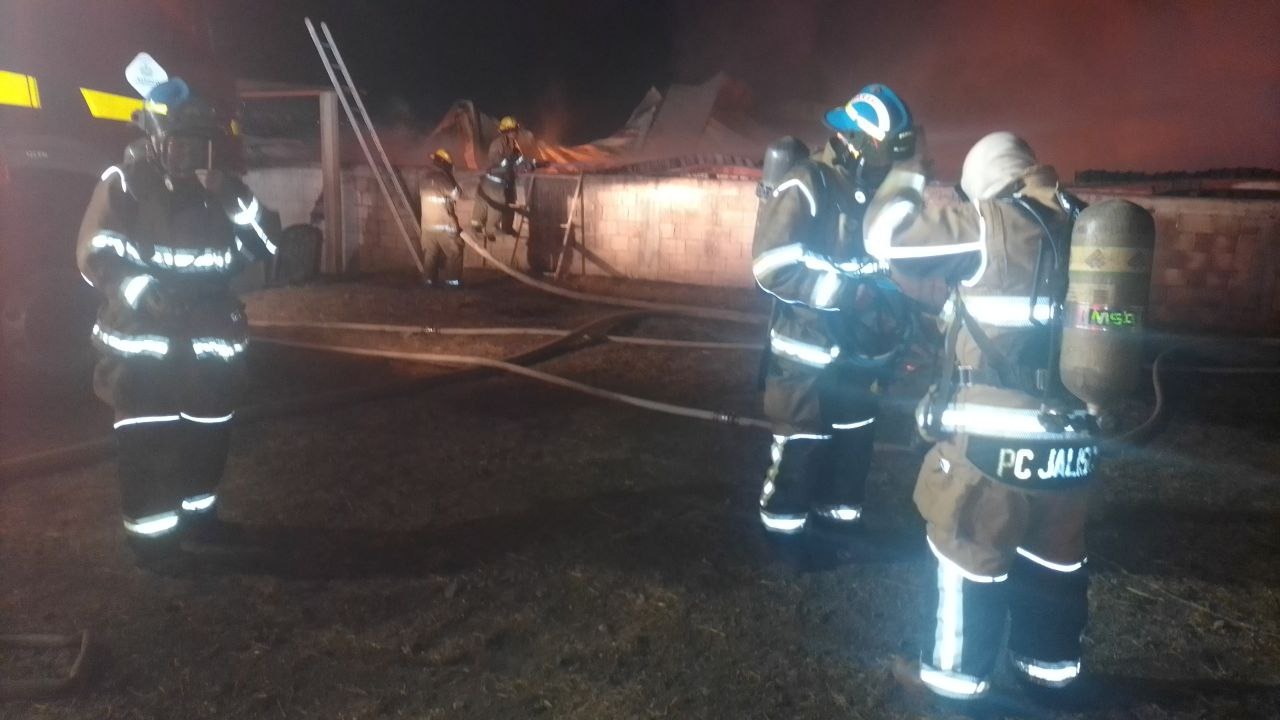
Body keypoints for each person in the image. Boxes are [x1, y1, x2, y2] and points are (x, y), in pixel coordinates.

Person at [862, 131, 1096, 709]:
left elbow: (884, 239)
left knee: (968, 564)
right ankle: (1048, 679)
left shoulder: (988, 222)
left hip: (994, 451)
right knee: (1054, 565)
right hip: (1073, 452)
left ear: (983, 183)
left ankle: (955, 689)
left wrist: (907, 173)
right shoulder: (1086, 226)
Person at [76, 78, 279, 569]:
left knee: (208, 439)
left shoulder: (224, 192)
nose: (186, 154)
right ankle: (152, 543)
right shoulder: (123, 184)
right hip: (145, 346)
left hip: (209, 346)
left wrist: (233, 194)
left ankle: (200, 521)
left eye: (196, 143)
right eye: (177, 142)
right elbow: (95, 253)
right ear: (152, 137)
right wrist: (145, 293)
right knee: (148, 446)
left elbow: (267, 246)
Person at [751, 84, 917, 539]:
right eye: (882, 156)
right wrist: (849, 294)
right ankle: (785, 542)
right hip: (807, 351)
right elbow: (770, 266)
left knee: (853, 444)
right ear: (853, 143)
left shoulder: (871, 190)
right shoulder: (807, 182)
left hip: (858, 354)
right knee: (802, 447)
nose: (887, 169)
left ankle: (838, 531)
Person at [470, 115, 534, 242]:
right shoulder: (497, 144)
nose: (515, 133)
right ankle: (487, 230)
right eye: (513, 130)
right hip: (494, 181)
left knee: (509, 203)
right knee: (496, 205)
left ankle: (507, 228)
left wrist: (529, 165)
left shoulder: (513, 145)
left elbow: (518, 160)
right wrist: (509, 164)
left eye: (516, 130)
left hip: (506, 181)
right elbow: (495, 160)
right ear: (506, 131)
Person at [420, 148, 464, 288]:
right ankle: (452, 283)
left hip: (427, 227)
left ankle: (428, 282)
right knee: (455, 252)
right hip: (444, 226)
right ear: (445, 164)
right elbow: (457, 194)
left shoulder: (424, 178)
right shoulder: (443, 179)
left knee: (430, 255)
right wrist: (451, 178)